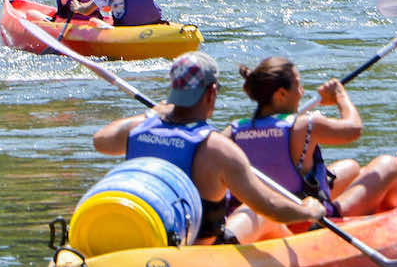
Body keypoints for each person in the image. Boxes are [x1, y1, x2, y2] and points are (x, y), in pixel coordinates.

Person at [91, 52, 324, 245]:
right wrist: (308, 210)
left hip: (144, 233)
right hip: (198, 250)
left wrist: (151, 114)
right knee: (253, 212)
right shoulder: (217, 149)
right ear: (211, 92)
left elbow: (100, 140)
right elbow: (271, 207)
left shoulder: (136, 128)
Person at [224, 57, 397, 241]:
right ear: (281, 95)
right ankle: (390, 217)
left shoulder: (233, 132)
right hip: (305, 219)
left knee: (351, 167)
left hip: (260, 212)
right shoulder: (306, 125)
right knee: (389, 165)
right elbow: (354, 129)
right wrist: (340, 96)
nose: (302, 92)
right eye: (298, 85)